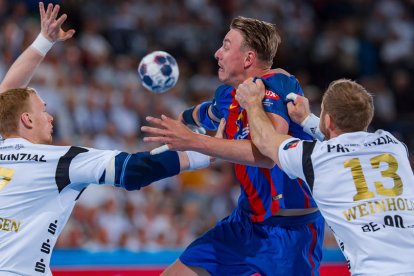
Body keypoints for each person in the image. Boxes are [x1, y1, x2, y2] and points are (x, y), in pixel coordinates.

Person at [0, 3, 212, 275]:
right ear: (27, 120)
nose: (51, 118)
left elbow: (6, 96)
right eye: (44, 110)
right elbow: (135, 171)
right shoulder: (61, 162)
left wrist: (44, 41)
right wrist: (206, 150)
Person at [142, 16, 324, 276]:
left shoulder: (279, 85)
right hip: (244, 223)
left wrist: (193, 140)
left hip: (289, 233)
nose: (217, 53)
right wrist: (177, 120)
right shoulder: (227, 94)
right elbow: (207, 113)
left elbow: (267, 154)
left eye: (226, 46)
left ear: (248, 59)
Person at [235, 78, 414, 275]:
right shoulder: (394, 145)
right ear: (367, 117)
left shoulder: (313, 157)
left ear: (327, 119)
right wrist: (306, 120)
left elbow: (265, 141)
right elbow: (348, 144)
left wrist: (252, 102)